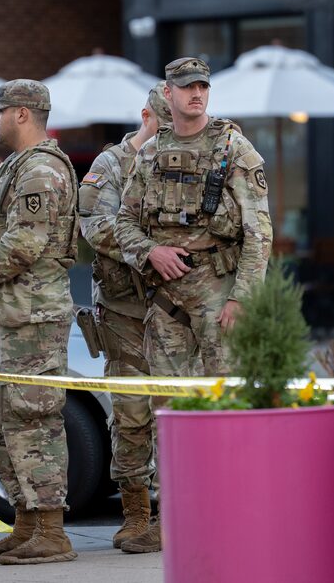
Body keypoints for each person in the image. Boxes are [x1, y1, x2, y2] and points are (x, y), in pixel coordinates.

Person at [113, 57, 273, 552]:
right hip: (167, 304)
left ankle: (236, 515)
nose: (196, 94)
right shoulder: (151, 154)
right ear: (169, 93)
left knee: (227, 408)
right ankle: (176, 515)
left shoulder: (234, 150)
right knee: (170, 413)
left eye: (203, 86)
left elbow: (259, 232)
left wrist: (244, 298)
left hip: (221, 297)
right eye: (186, 87)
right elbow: (123, 223)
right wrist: (149, 252)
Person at [0, 79, 80, 565]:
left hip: (34, 314)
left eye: (0, 112)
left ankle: (51, 530)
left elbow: (24, 242)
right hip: (13, 311)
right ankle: (27, 524)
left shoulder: (42, 170)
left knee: (35, 420)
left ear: (23, 114)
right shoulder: (16, 166)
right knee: (6, 420)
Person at [77, 82, 170, 551]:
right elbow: (94, 225)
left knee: (176, 413)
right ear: (145, 117)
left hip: (177, 310)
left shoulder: (185, 160)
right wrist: (149, 252)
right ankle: (136, 513)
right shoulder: (110, 165)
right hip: (124, 310)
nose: (170, 134)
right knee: (131, 415)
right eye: (163, 124)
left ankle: (174, 514)